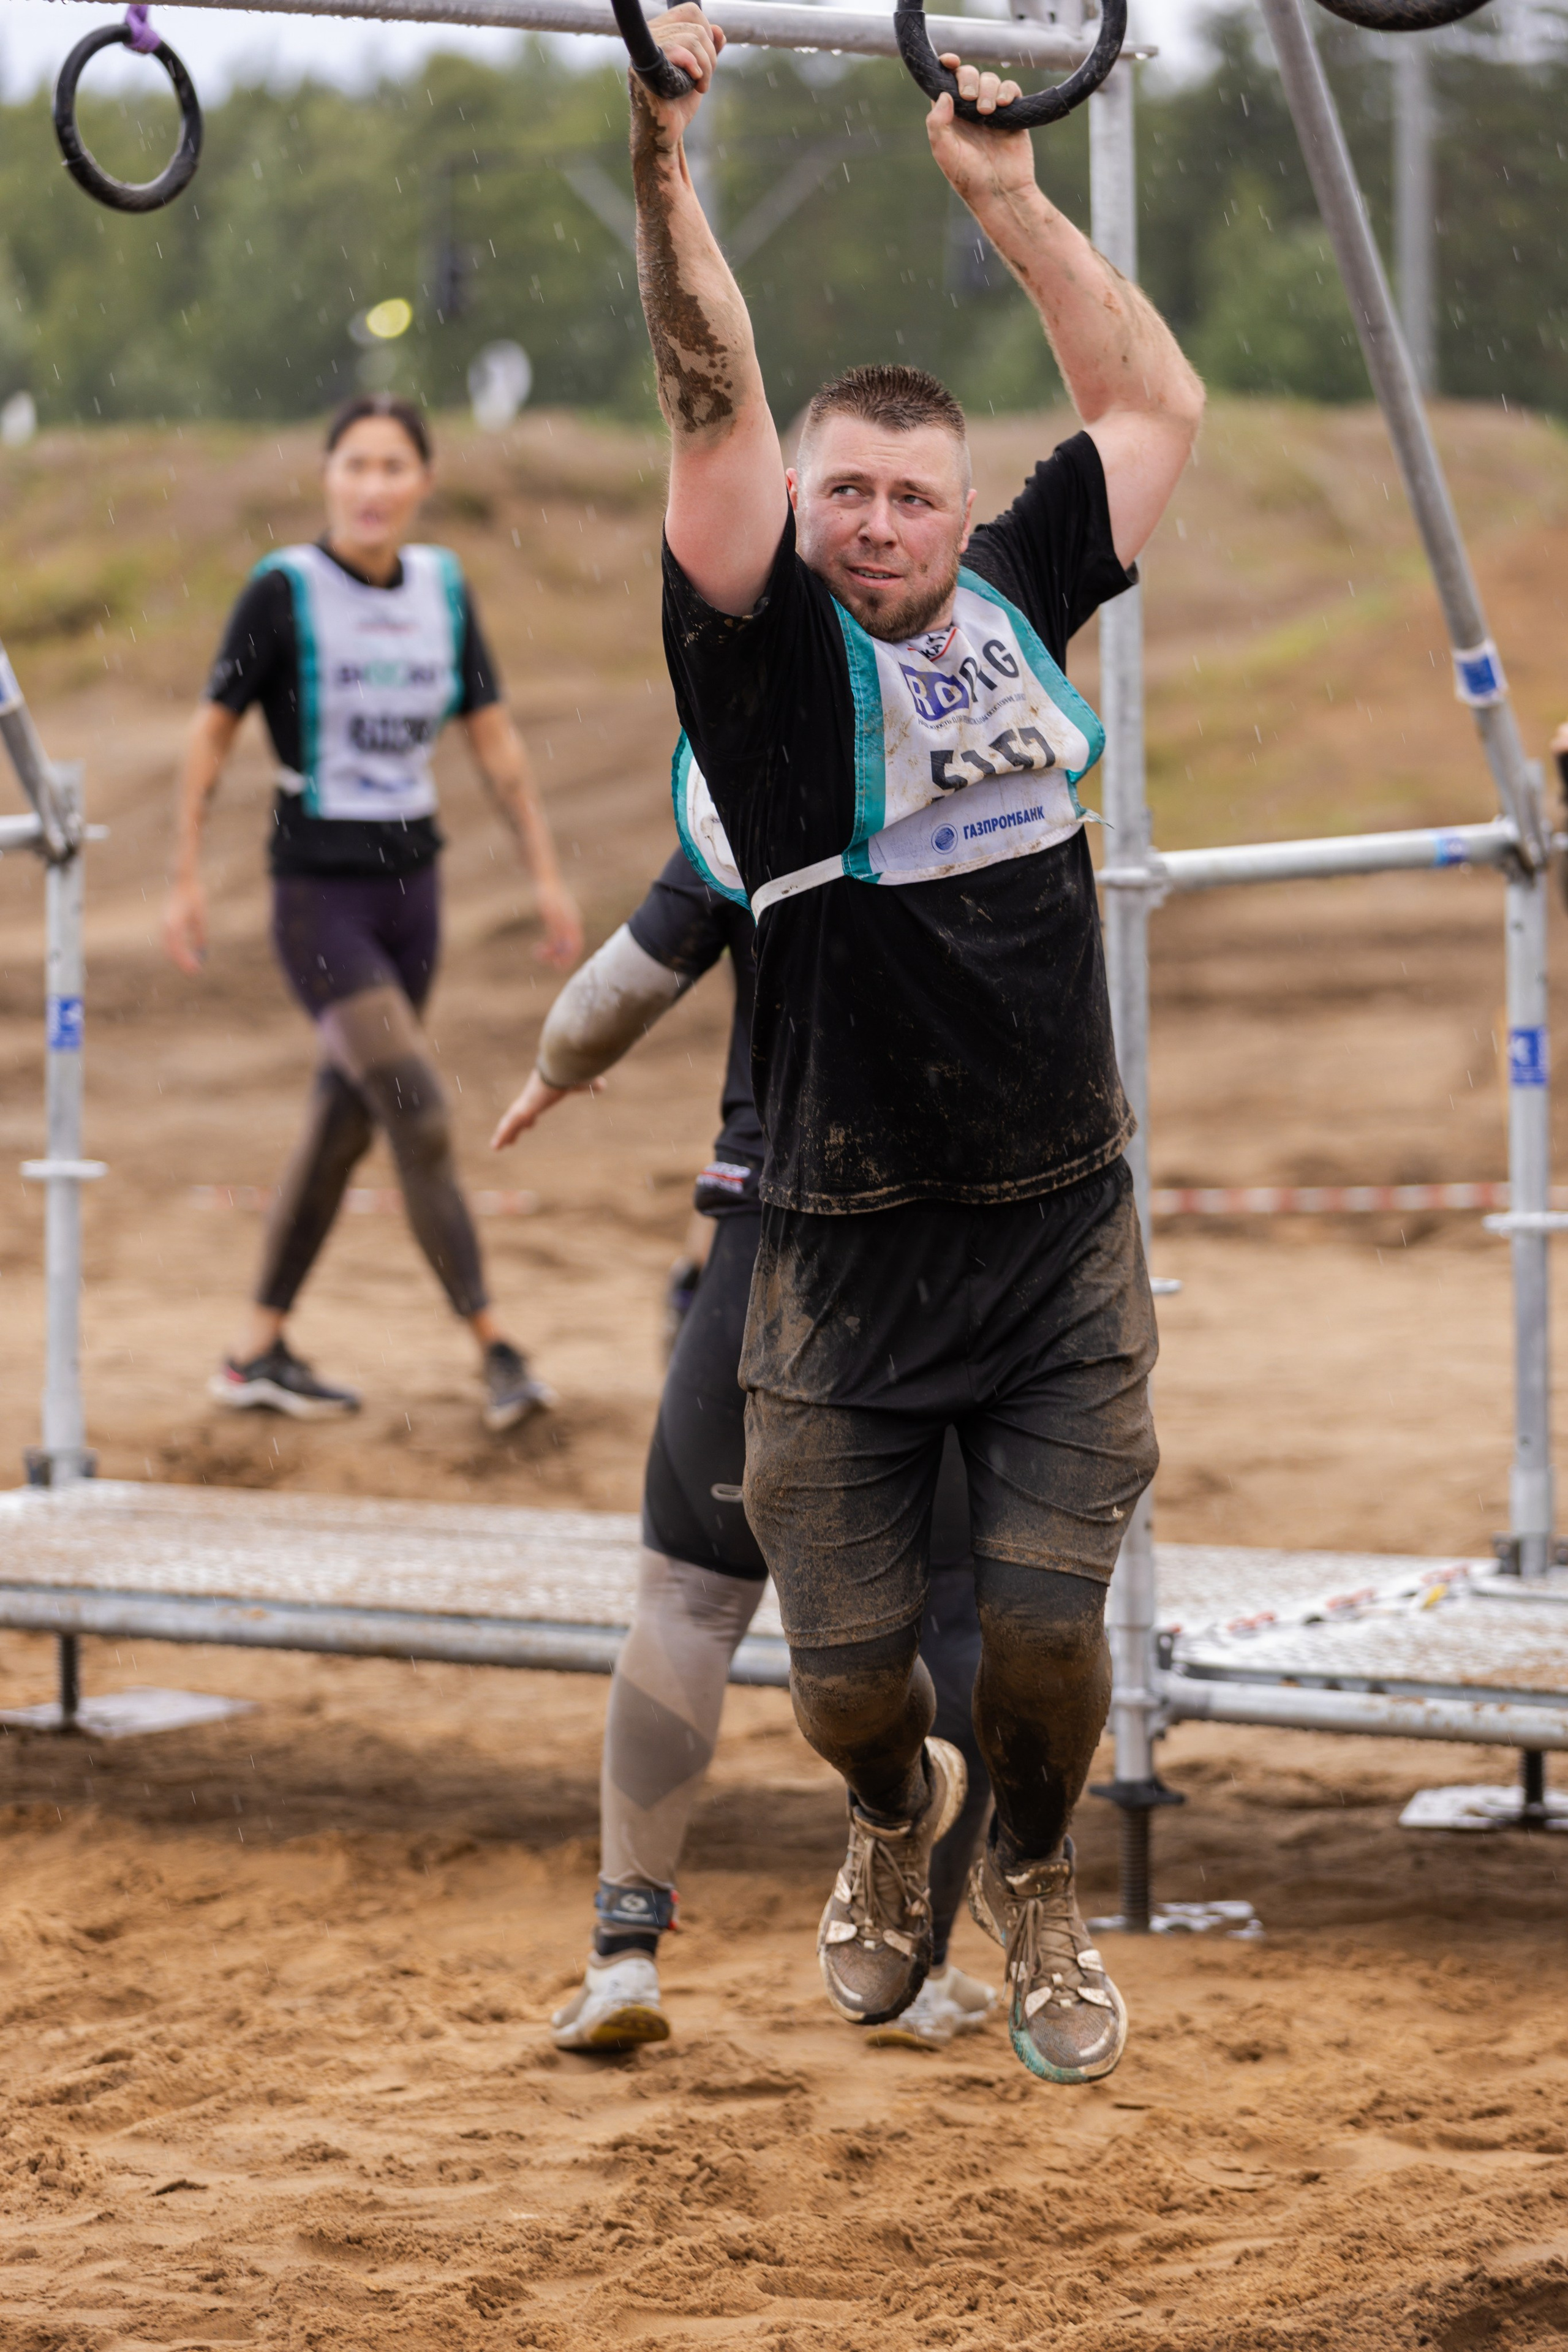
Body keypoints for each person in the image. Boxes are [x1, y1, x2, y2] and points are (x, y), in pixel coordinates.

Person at [625, 10, 1203, 2084]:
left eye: (911, 495)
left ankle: (1040, 1884)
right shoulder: (758, 657)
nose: (876, 521)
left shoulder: (1027, 597)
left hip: (1056, 1244)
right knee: (852, 1687)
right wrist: (669, 164)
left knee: (1047, 1635)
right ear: (797, 507)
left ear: (964, 515)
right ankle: (897, 1824)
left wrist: (1014, 199)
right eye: (843, 490)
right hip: (841, 1259)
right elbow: (708, 385)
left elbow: (1149, 402)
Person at [491, 849, 995, 2052]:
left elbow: (614, 990)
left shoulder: (738, 775)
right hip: (933, 1255)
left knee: (688, 1597)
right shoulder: (988, 757)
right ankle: (909, 1968)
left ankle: (623, 1957)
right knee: (955, 1609)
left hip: (764, 1238)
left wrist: (559, 1067)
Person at [162, 394, 582, 1434]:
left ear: (423, 483)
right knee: (420, 1109)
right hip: (317, 902)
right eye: (355, 465)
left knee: (344, 1120)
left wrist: (545, 874)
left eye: (395, 467)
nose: (374, 486)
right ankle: (497, 1348)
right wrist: (184, 877)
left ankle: (256, 1350)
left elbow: (494, 741)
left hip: (416, 897)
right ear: (327, 476)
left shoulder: (443, 588)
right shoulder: (283, 593)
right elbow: (209, 737)